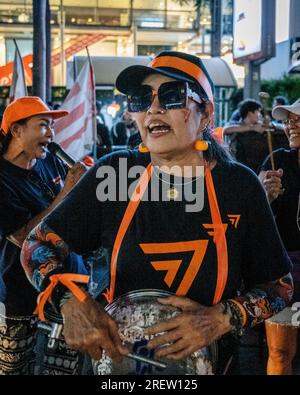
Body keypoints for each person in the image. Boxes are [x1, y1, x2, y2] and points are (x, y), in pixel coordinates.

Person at [21, 52, 293, 375]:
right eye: (141, 99)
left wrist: (221, 318)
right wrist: (69, 301)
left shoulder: (239, 186)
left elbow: (280, 286)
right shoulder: (115, 175)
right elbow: (35, 245)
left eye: (172, 95)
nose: (154, 108)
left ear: (206, 113)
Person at [0, 96, 87, 375]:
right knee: (13, 363)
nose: (51, 134)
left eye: (52, 126)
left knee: (64, 364)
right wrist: (67, 192)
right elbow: (21, 235)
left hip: (68, 280)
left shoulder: (50, 161)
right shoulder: (2, 178)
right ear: (17, 130)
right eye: (43, 125)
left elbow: (74, 207)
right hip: (20, 285)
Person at [259, 98, 300, 375]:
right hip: (285, 271)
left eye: (298, 119)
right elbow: (251, 219)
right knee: (280, 350)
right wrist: (265, 194)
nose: (291, 125)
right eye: (288, 120)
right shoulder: (278, 160)